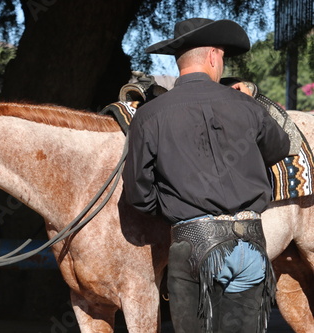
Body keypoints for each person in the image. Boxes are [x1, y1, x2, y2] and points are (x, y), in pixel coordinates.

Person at [122, 18, 291, 333]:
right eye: (223, 57)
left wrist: (177, 208)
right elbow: (279, 148)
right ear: (214, 56)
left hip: (195, 244)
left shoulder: (149, 116)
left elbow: (138, 194)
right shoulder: (248, 106)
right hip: (251, 245)